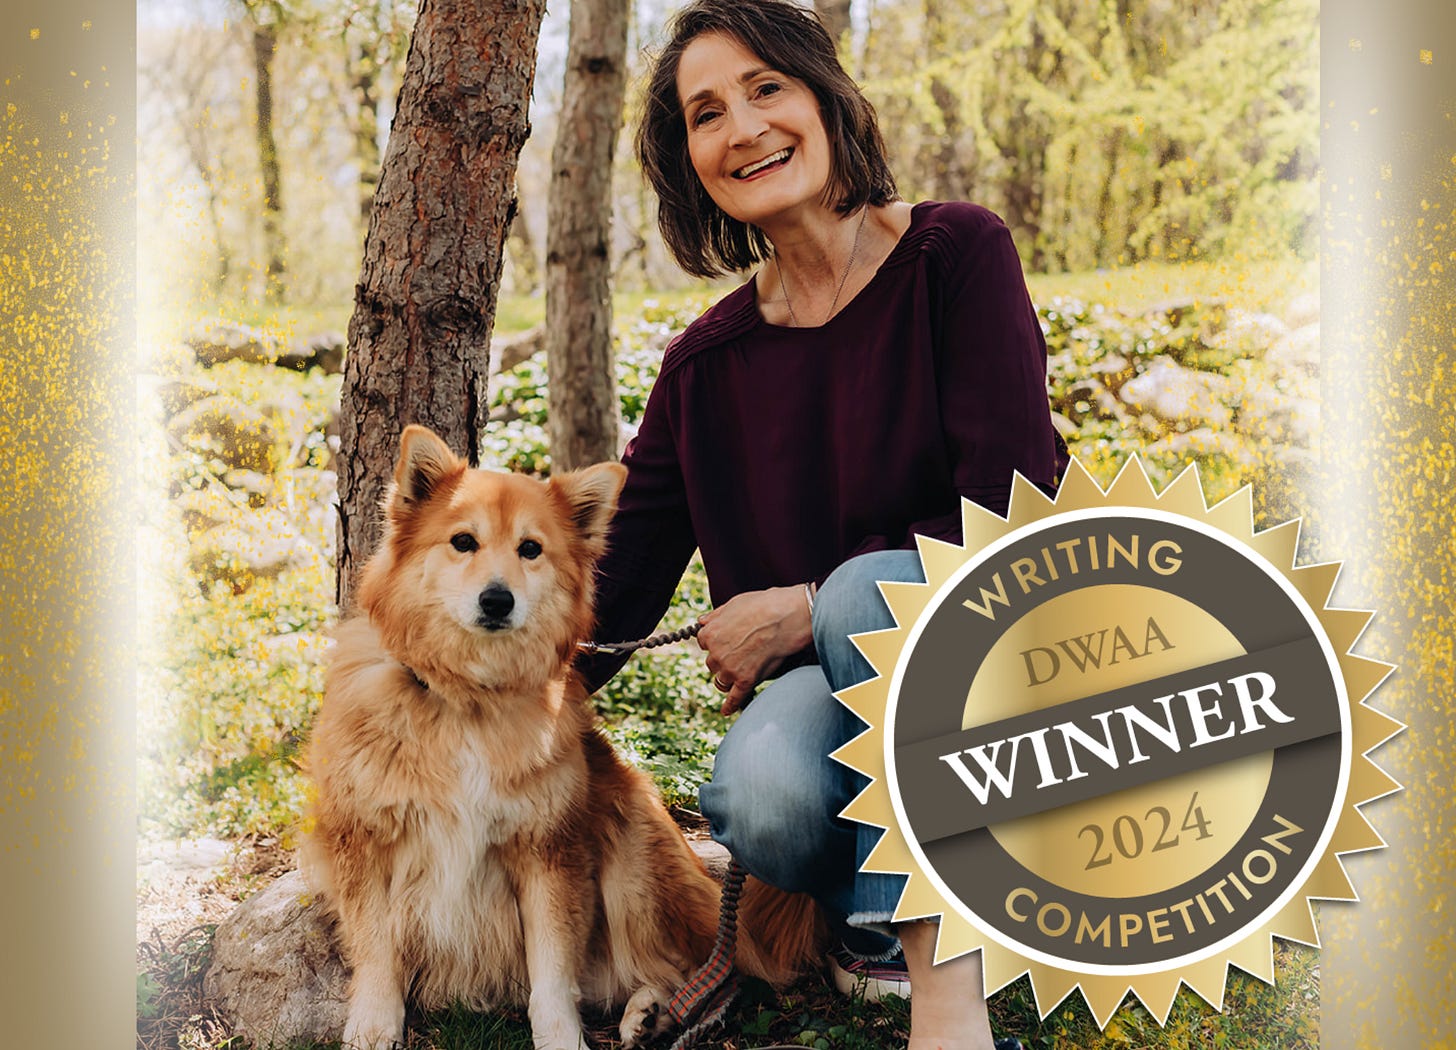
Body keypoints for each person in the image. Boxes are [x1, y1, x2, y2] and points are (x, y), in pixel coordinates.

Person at [577, 1, 1065, 1047]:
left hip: (1009, 670)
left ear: (824, 100)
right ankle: (870, 921)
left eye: (765, 89)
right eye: (706, 114)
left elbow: (1016, 511)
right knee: (762, 795)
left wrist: (803, 608)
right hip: (841, 700)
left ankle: (951, 969)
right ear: (689, 161)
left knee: (857, 594)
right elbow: (610, 590)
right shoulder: (704, 368)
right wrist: (446, 688)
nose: (742, 127)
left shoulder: (955, 257)